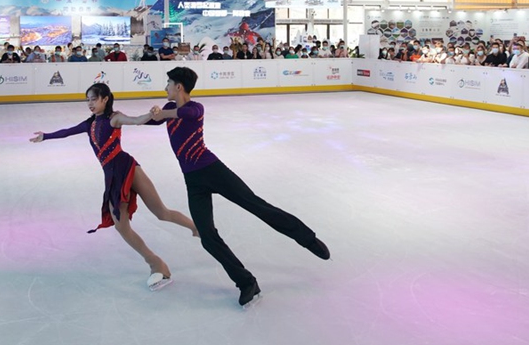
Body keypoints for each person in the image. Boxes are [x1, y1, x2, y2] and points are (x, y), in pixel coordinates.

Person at [144, 68, 329, 308]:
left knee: (255, 205)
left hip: (214, 171)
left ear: (179, 86)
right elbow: (146, 121)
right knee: (207, 237)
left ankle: (307, 238)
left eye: (168, 82)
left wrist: (163, 114)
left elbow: (189, 112)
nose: (165, 87)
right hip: (193, 180)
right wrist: (122, 117)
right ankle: (246, 283)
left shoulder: (194, 108)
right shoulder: (168, 111)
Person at [30, 83, 198, 291]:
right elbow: (68, 131)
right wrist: (45, 136)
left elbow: (136, 120)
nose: (90, 103)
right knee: (121, 225)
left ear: (105, 99)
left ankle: (197, 228)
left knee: (161, 212)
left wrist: (153, 113)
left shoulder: (114, 118)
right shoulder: (90, 123)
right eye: (87, 100)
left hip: (128, 168)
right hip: (112, 175)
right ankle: (156, 263)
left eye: (93, 99)